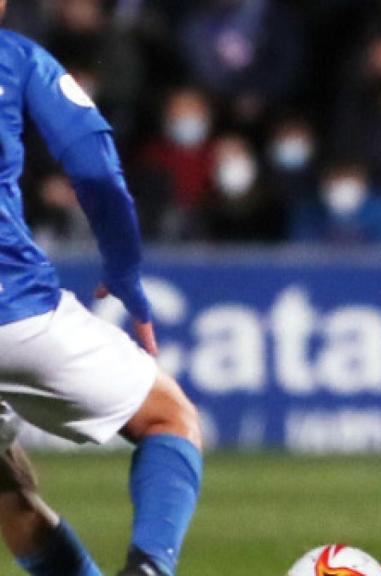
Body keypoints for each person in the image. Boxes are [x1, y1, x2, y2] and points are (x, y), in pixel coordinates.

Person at [0, 5, 203, 575]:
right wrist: (124, 267)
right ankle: (149, 567)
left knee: (8, 494)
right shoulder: (15, 59)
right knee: (170, 417)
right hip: (14, 313)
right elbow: (93, 166)